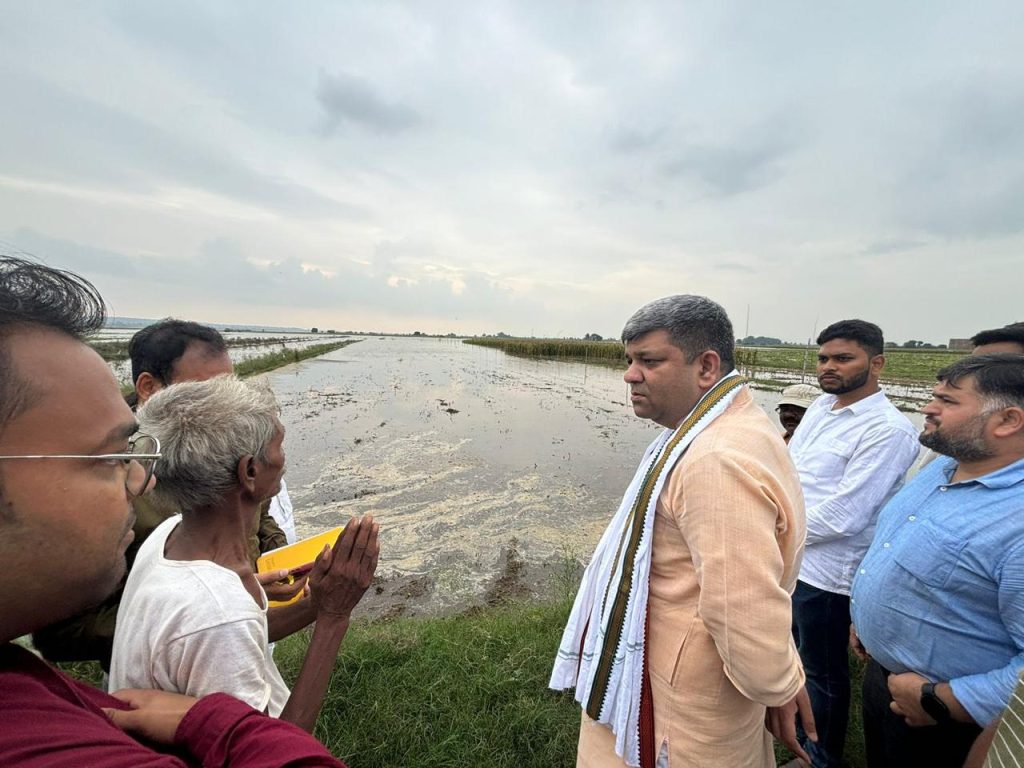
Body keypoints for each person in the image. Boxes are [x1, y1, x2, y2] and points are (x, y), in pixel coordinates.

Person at [0, 255, 346, 766]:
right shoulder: (206, 606)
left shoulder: (167, 540)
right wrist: (331, 616)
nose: (137, 478)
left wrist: (266, 582)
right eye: (111, 459)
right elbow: (207, 626)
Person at [550, 295, 813, 768]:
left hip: (682, 710)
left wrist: (779, 684)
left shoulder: (715, 459)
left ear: (706, 366)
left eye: (649, 361)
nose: (631, 375)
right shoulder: (725, 426)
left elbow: (743, 614)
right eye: (630, 360)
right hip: (672, 680)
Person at [110, 375, 378, 733]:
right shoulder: (219, 613)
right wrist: (334, 616)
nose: (284, 458)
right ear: (250, 471)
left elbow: (238, 634)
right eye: (279, 444)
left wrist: (316, 603)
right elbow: (273, 754)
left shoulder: (169, 535)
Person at [33, 318, 297, 669]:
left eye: (231, 388)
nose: (229, 406)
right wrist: (202, 614)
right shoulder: (104, 484)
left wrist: (279, 561)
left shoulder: (229, 447)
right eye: (207, 391)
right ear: (149, 387)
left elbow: (259, 514)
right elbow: (64, 633)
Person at [849, 353, 1024, 768]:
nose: (928, 408)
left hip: (948, 718)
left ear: (1008, 421)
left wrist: (945, 701)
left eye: (947, 401)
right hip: (885, 679)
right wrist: (868, 619)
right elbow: (897, 546)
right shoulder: (945, 466)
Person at [786, 319, 920, 768]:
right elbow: (789, 473)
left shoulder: (888, 430)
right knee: (792, 661)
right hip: (791, 560)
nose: (829, 367)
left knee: (822, 672)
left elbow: (846, 517)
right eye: (824, 358)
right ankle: (794, 736)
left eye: (843, 358)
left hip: (829, 577)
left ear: (876, 363)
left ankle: (820, 758)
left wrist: (770, 528)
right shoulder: (823, 409)